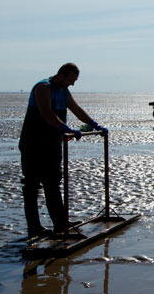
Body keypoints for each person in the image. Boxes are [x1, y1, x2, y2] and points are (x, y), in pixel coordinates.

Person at [18, 63, 108, 237]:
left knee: (53, 183)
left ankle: (60, 223)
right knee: (32, 185)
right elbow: (47, 115)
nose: (72, 84)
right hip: (33, 144)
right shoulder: (43, 88)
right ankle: (34, 228)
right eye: (71, 80)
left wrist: (94, 124)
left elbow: (76, 110)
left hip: (52, 143)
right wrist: (67, 129)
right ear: (62, 75)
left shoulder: (64, 91)